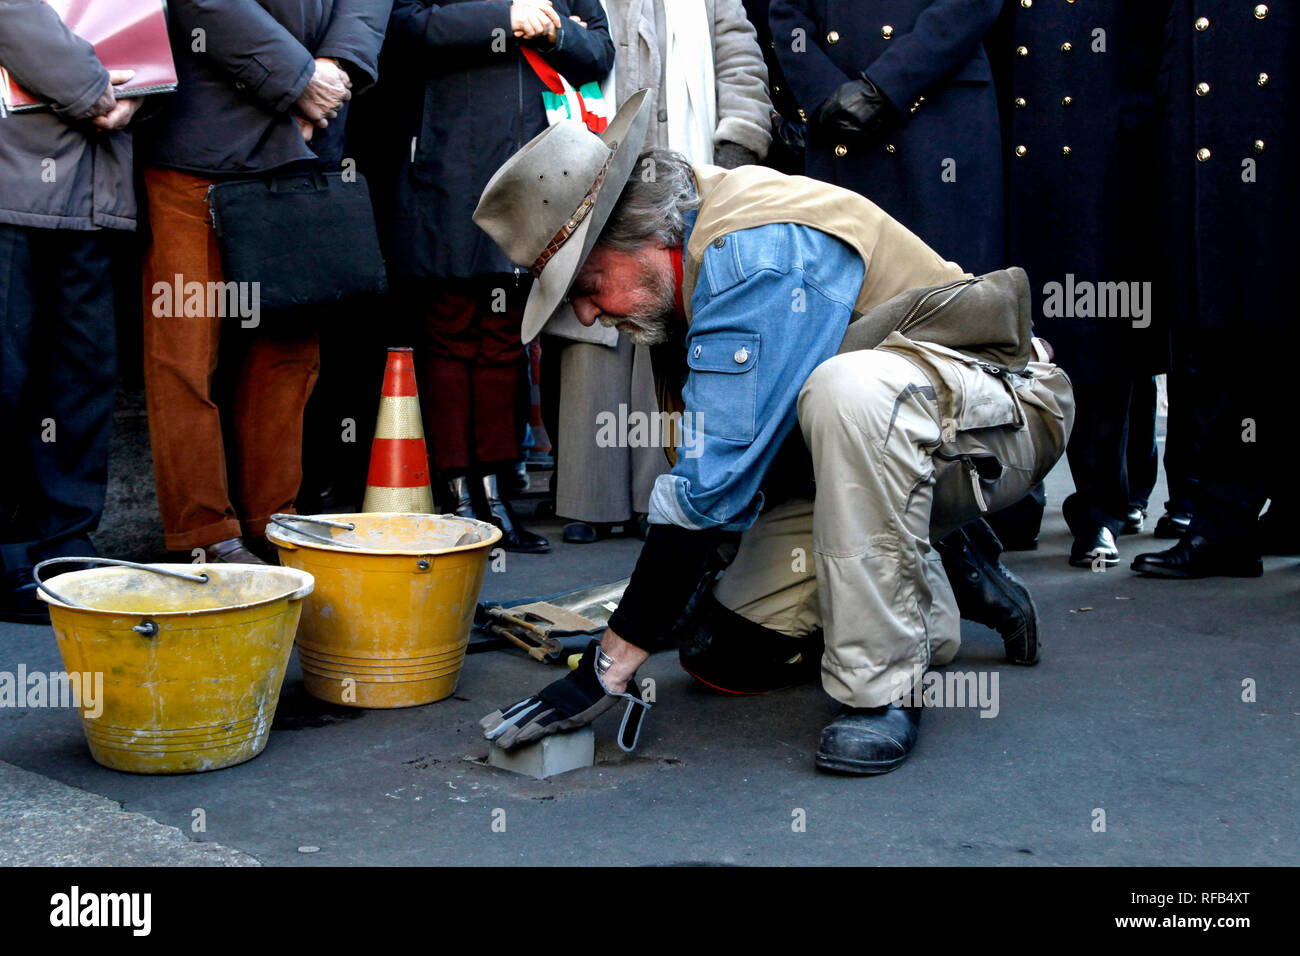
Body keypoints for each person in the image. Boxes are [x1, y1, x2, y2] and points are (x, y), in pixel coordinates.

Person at [472, 93, 1073, 774]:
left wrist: (603, 669)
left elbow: (708, 491)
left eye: (585, 285)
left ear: (637, 235)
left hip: (998, 414)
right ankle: (939, 569)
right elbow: (717, 469)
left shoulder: (753, 253)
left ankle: (883, 691)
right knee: (724, 655)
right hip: (869, 460)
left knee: (847, 390)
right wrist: (662, 615)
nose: (585, 314)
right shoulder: (674, 267)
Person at [138, 0, 389, 565]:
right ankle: (205, 536)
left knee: (288, 355)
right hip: (201, 141)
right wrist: (299, 79)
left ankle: (274, 522)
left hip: (307, 140)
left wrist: (334, 72)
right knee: (185, 353)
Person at [384, 0, 613, 554]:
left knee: (503, 340)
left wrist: (557, 31)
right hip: (448, 165)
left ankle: (493, 491)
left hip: (537, 171)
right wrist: (504, 19)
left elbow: (600, 51)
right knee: (451, 331)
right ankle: (457, 494)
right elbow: (404, 28)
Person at [546, 0, 772, 546]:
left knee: (668, 328)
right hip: (592, 168)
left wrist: (732, 155)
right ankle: (589, 498)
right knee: (592, 322)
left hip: (683, 175)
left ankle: (664, 493)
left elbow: (741, 65)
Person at [996, 0, 1170, 569]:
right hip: (1023, 145)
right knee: (1018, 331)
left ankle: (1100, 510)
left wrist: (1143, 120)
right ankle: (1018, 496)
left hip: (1108, 151)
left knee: (1102, 337)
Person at [1132, 0, 1296, 578]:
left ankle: (1243, 516)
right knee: (1222, 339)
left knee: (1251, 339)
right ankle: (1227, 521)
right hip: (1205, 154)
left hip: (1269, 146)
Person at [0, 0, 143, 622]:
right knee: (10, 375)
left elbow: (145, 35)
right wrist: (95, 92)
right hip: (15, 183)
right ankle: (14, 555)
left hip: (95, 191)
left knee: (82, 375)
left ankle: (64, 549)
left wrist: (144, 92)